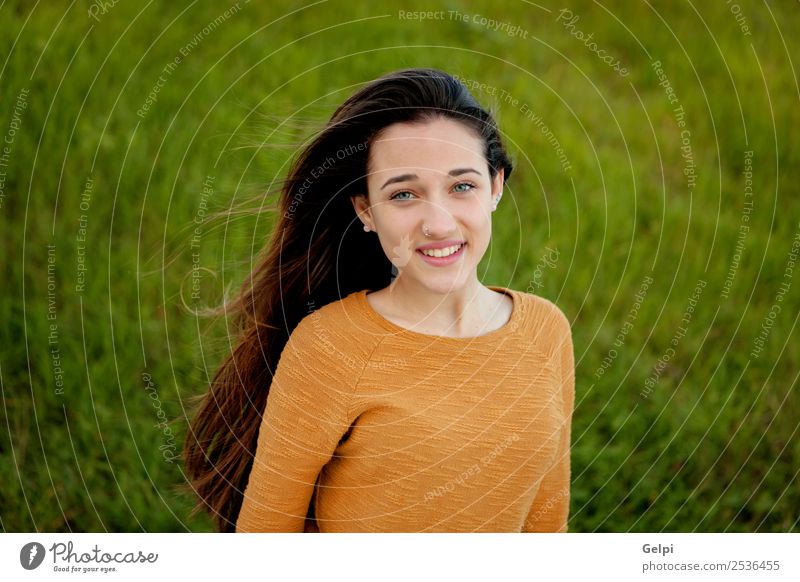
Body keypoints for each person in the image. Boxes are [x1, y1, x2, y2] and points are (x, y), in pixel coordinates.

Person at [183, 67, 575, 533]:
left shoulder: (546, 330)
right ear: (366, 210)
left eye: (462, 186)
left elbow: (546, 521)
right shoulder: (330, 346)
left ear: (496, 187)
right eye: (404, 194)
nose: (438, 223)